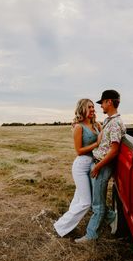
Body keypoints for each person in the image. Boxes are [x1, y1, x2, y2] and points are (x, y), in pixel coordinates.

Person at [75, 89, 126, 243]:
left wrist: (97, 167)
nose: (101, 107)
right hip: (97, 164)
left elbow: (114, 150)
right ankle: (112, 218)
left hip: (102, 167)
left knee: (97, 204)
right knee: (95, 199)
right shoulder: (108, 121)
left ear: (109, 102)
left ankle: (91, 234)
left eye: (102, 103)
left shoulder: (116, 123)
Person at [53, 99, 101, 237]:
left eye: (93, 107)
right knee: (86, 202)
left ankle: (66, 227)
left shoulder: (97, 125)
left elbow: (105, 140)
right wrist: (96, 143)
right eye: (89, 107)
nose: (93, 109)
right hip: (81, 166)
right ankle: (60, 227)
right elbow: (79, 150)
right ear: (82, 109)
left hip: (93, 164)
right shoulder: (78, 127)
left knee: (79, 199)